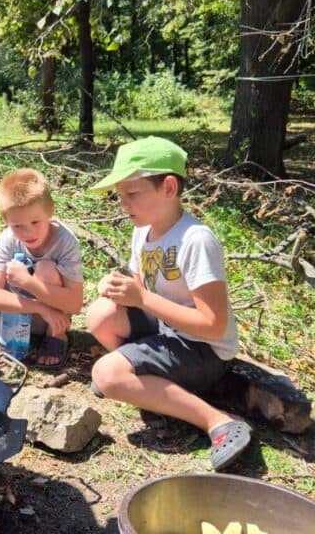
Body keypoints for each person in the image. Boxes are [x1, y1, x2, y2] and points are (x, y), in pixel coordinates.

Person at [85, 137, 251, 472]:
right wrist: (117, 289)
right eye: (120, 195)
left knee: (106, 374)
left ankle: (218, 421)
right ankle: (151, 386)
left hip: (203, 349)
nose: (123, 203)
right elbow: (140, 289)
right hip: (168, 330)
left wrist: (141, 298)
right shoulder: (143, 231)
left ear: (169, 188)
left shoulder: (195, 240)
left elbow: (213, 326)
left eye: (132, 193)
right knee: (100, 314)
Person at [0, 168, 84, 370]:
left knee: (46, 269)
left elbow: (75, 304)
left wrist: (28, 283)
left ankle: (56, 337)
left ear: (50, 211)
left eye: (35, 222)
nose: (28, 232)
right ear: (6, 221)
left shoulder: (65, 241)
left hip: (52, 319)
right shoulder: (8, 238)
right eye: (17, 226)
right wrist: (40, 307)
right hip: (16, 312)